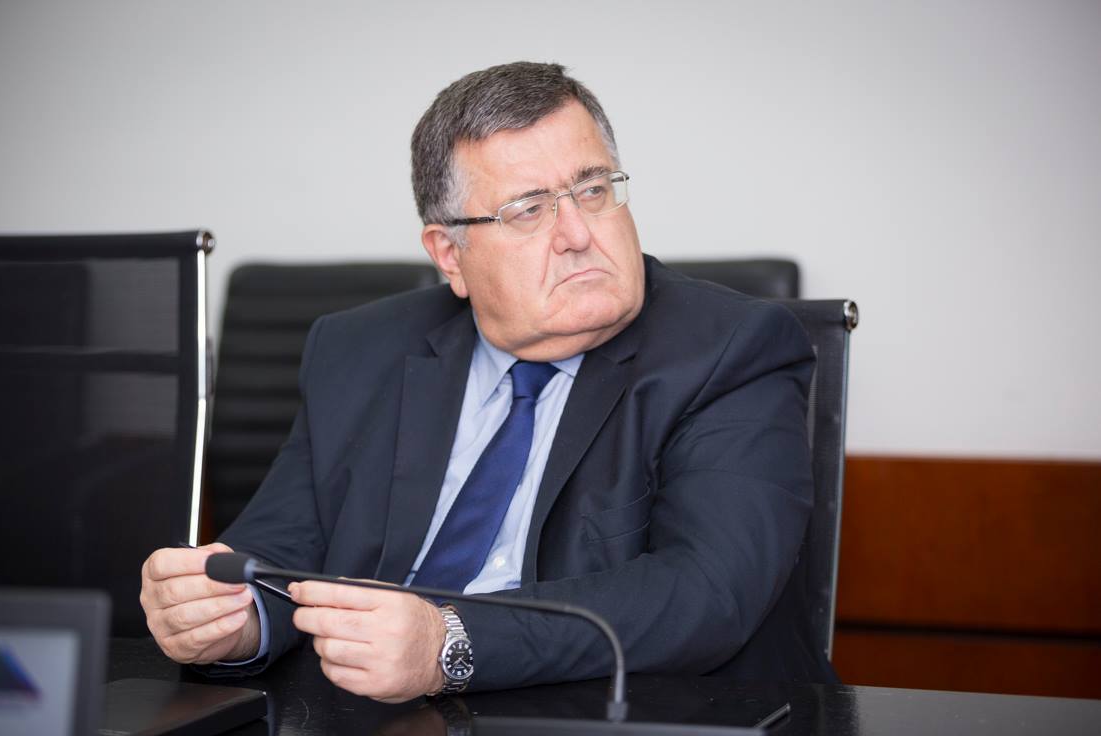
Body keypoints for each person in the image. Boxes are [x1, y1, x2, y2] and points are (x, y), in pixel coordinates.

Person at [140, 61, 836, 703]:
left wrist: (449, 641)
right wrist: (232, 619)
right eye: (529, 209)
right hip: (372, 723)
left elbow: (705, 591)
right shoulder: (359, 350)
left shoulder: (731, 348)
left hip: (626, 721)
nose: (577, 233)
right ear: (450, 254)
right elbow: (279, 554)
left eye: (593, 189)